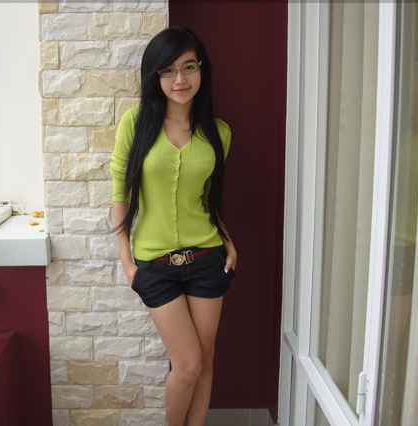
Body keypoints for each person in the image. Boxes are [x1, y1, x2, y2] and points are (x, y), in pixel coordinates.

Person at [110, 27, 237, 426]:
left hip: (208, 259)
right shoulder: (135, 123)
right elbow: (119, 194)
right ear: (156, 76)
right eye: (168, 70)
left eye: (188, 67)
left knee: (206, 360)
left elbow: (209, 199)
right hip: (155, 266)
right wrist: (127, 263)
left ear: (201, 70)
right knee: (187, 364)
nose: (180, 79)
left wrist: (228, 241)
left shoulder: (219, 133)